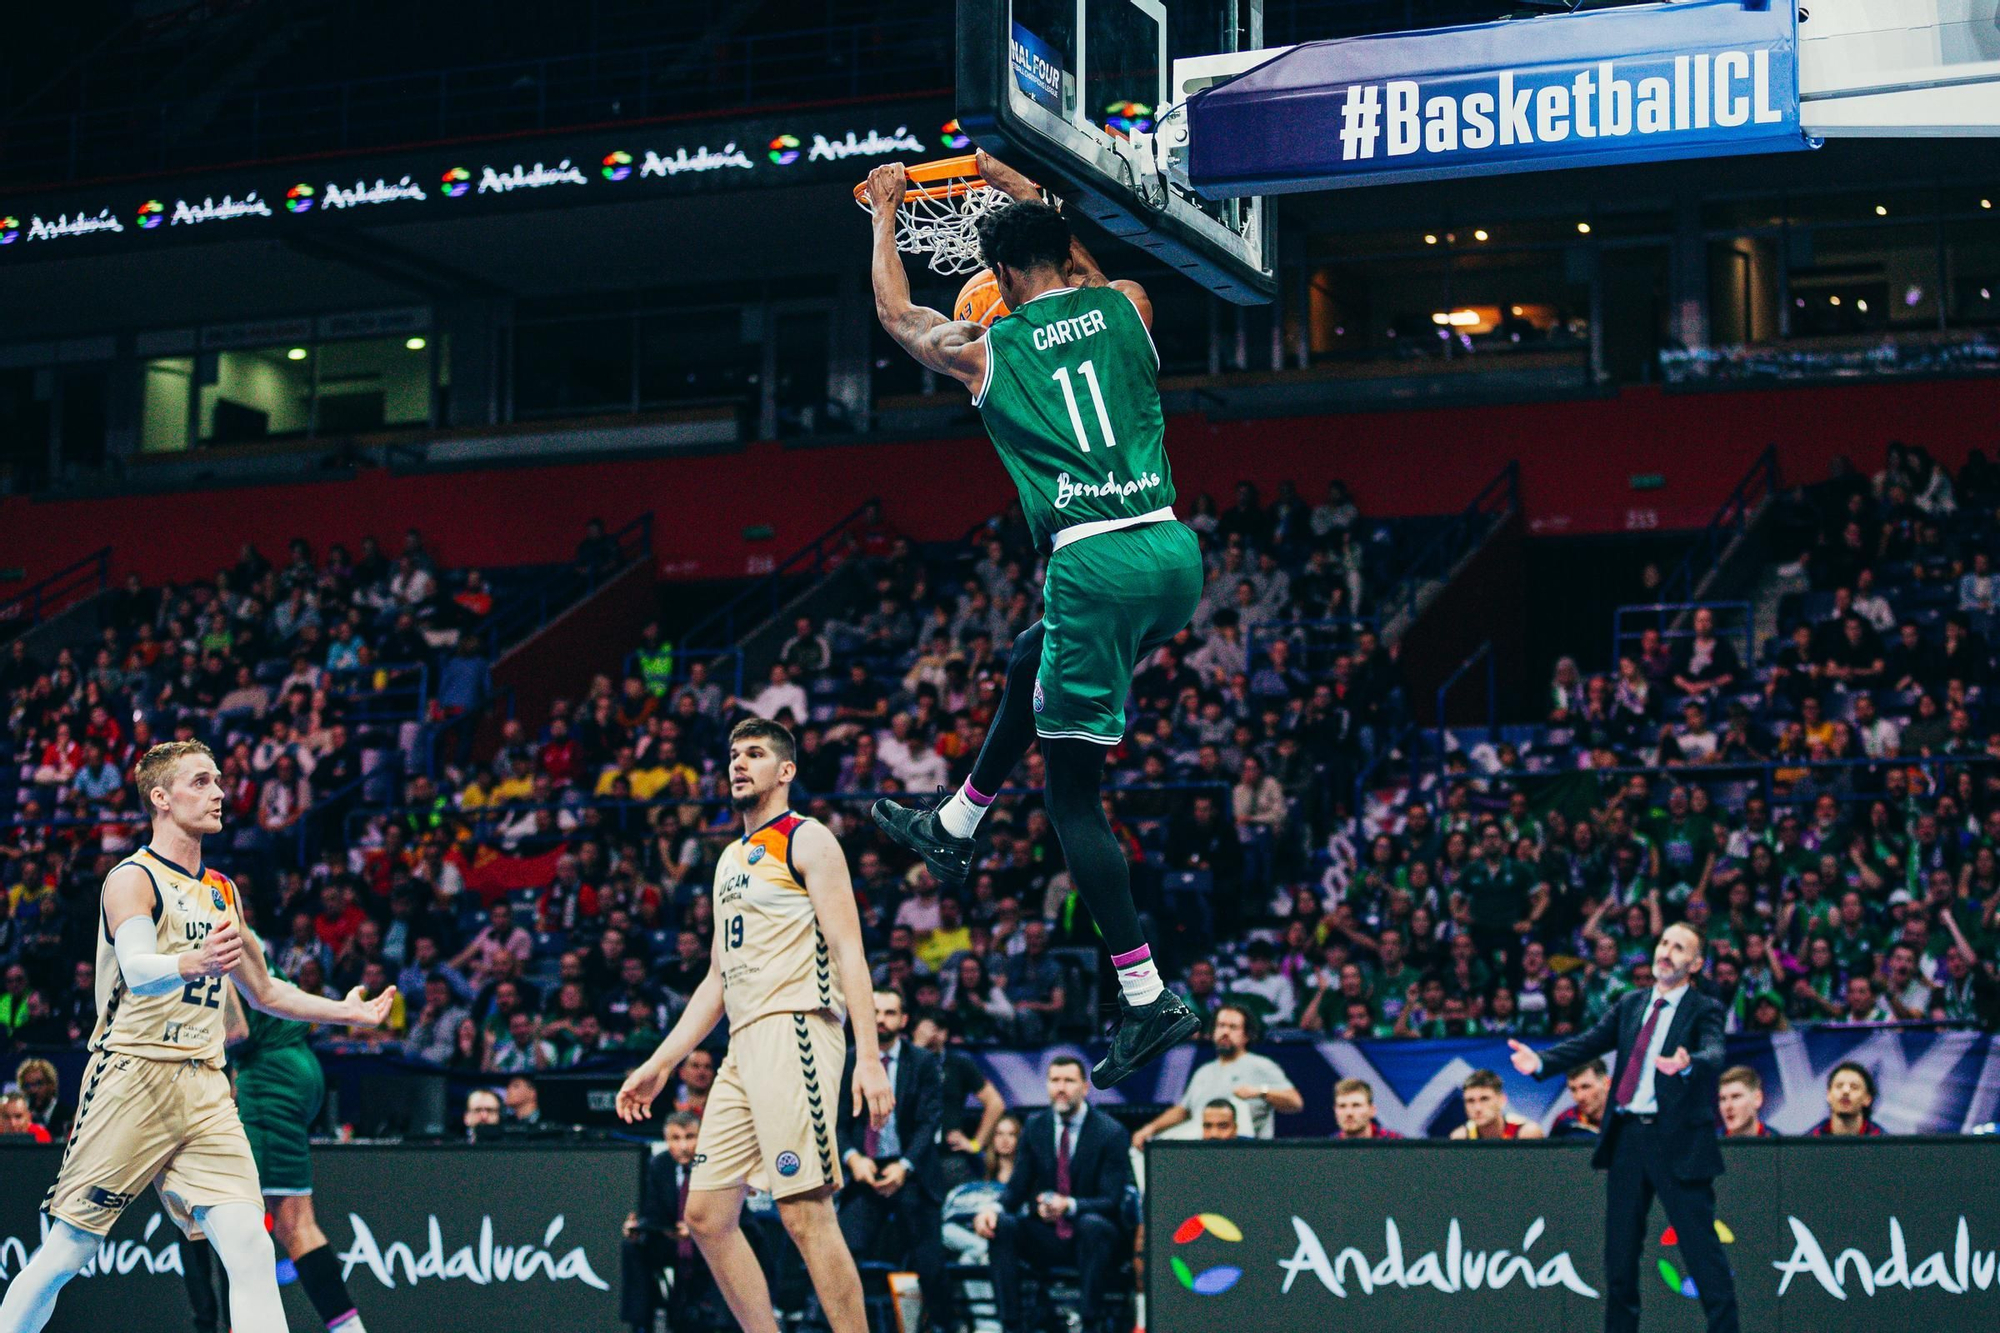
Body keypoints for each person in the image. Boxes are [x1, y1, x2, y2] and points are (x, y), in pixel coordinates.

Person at [865, 152, 1204, 1087]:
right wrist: (1025, 194)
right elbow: (1085, 275)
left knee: (1070, 799)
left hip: (1094, 563)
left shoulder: (991, 347)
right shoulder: (1128, 302)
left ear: (1002, 279)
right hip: (1175, 553)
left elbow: (898, 317)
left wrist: (887, 213)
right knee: (1030, 655)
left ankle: (1147, 998)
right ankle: (960, 823)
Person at [0, 740, 393, 1333]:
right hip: (133, 1077)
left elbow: (266, 993)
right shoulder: (130, 880)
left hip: (207, 1087)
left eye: (218, 782)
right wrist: (194, 961)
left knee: (252, 1249)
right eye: (202, 782)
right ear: (160, 798)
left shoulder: (223, 892)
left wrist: (348, 1013)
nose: (218, 793)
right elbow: (137, 968)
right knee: (67, 1254)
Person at [615, 718, 894, 1333]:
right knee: (708, 1216)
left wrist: (868, 1057)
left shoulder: (809, 839)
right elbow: (717, 978)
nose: (739, 764)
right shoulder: (729, 860)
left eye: (756, 754)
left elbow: (851, 951)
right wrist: (661, 1061)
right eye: (735, 754)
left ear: (786, 771)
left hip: (796, 1030)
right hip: (742, 1045)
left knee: (804, 1213)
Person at [1508, 922, 1737, 1333]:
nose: (1666, 952)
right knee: (1620, 1259)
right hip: (1629, 1138)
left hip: (1678, 1142)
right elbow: (1590, 1042)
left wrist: (1691, 1064)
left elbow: (1716, 1051)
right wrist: (1541, 1063)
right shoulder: (1632, 1004)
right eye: (1664, 942)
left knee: (1703, 1255)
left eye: (1679, 947)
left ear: (1695, 963)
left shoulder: (1704, 1009)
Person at [183, 939, 374, 1333]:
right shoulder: (241, 930)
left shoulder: (204, 939)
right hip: (291, 1068)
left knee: (273, 1220)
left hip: (271, 1079)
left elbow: (235, 1032)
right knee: (271, 1218)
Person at [973, 1057, 1132, 1333]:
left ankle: (1089, 1322)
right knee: (1003, 1226)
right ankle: (1009, 1324)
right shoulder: (1035, 1126)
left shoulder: (1111, 1132)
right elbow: (1016, 1188)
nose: (1061, 1088)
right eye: (1055, 1081)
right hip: (1048, 1235)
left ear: (1085, 1088)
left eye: (1069, 1081)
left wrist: (1069, 1205)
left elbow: (1112, 1199)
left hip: (1095, 1235)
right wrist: (993, 1210)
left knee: (1092, 1225)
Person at [833, 990, 948, 1333]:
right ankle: (833, 1326)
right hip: (862, 1171)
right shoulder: (846, 1059)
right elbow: (833, 1121)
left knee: (930, 1263)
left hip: (911, 1171)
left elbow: (930, 1121)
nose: (881, 1018)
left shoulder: (923, 1062)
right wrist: (853, 1159)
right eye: (874, 1011)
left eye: (889, 1012)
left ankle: (942, 1327)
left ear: (903, 1020)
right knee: (841, 1255)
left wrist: (905, 1165)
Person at [1129, 1004, 1301, 1144]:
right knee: (1153, 1148)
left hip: (1244, 1151)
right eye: (1221, 1026)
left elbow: (1295, 1103)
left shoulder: (1261, 1065)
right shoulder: (1203, 1072)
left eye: (1233, 1027)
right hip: (1201, 1149)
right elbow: (1183, 1110)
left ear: (1247, 1035)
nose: (1225, 1032)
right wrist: (1149, 1129)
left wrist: (1261, 1092)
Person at [621, 1112, 722, 1333]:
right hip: (672, 1240)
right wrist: (639, 1228)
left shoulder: (715, 1164)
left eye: (690, 1137)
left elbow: (734, 1215)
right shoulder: (660, 1165)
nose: (683, 1145)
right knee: (632, 1247)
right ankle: (640, 1322)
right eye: (676, 1138)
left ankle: (718, 1318)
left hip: (710, 1240)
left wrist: (698, 1229)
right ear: (667, 1141)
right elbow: (653, 1212)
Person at [1450, 1069, 1546, 1140]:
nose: (1477, 1108)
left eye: (1484, 1099)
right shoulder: (1460, 1137)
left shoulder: (1527, 1133)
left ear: (1502, 1100)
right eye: (1470, 1101)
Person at [1806, 1061, 1884, 1137]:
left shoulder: (1885, 1143)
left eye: (1854, 1087)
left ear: (1867, 1099)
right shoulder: (1807, 1143)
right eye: (1839, 1086)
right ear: (1828, 1095)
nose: (1845, 1091)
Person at [1550, 1059, 1612, 1139]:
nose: (1579, 1097)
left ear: (1607, 1083)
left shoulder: (1625, 1120)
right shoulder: (1564, 1121)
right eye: (1573, 1089)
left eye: (1586, 1087)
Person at [1716, 1066, 1778, 1138]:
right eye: (1723, 1099)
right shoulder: (1708, 1144)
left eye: (1736, 1097)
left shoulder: (1780, 1145)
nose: (1728, 1106)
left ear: (1757, 1099)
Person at [1331, 1078, 1402, 1140]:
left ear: (1372, 1110)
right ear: (1335, 1110)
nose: (1349, 1113)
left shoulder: (1396, 1143)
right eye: (1342, 1106)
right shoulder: (1327, 1148)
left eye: (1356, 1105)